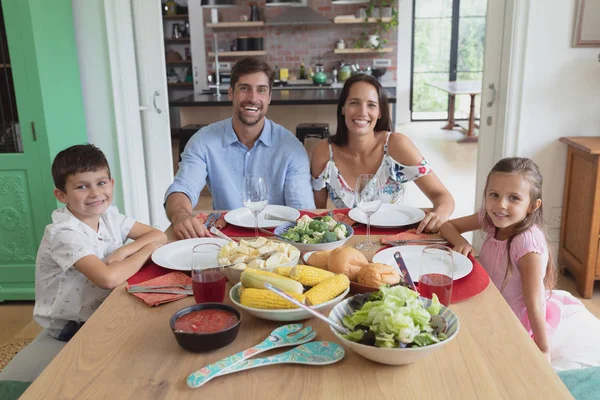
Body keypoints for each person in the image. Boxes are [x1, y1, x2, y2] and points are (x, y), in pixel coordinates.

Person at [440, 157, 600, 370]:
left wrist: (543, 349)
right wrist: (462, 243)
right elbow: (447, 226)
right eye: (494, 195)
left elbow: (533, 302)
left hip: (511, 320)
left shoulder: (526, 243)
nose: (501, 205)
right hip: (487, 302)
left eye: (514, 198)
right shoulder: (490, 218)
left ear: (533, 206)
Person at [165, 57, 315, 240]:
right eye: (244, 88)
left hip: (279, 241)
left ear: (269, 98)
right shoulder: (203, 141)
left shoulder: (291, 149)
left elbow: (303, 213)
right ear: (231, 93)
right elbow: (182, 188)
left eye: (261, 90)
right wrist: (180, 215)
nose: (252, 98)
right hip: (224, 240)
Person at [34, 144, 167, 341]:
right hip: (71, 324)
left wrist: (124, 252)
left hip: (101, 304)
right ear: (62, 195)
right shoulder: (64, 234)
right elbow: (108, 279)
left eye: (101, 183)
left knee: (161, 318)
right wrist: (148, 250)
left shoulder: (108, 215)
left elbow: (159, 235)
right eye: (82, 186)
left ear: (111, 183)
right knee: (149, 336)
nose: (95, 193)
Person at [311, 74, 454, 234]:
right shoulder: (324, 152)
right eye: (354, 103)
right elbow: (318, 213)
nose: (362, 112)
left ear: (380, 112)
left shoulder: (397, 145)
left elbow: (443, 197)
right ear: (343, 108)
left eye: (371, 105)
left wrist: (440, 215)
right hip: (347, 242)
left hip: (393, 241)